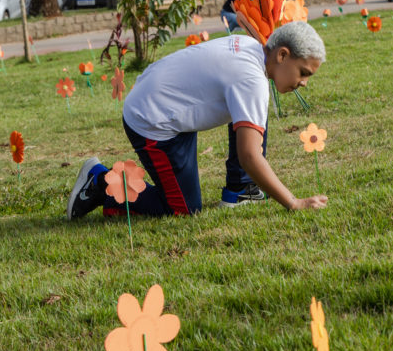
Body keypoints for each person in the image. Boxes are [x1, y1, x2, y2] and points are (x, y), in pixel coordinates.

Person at [66, 21, 328, 219]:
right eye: (303, 73)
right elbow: (249, 155)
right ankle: (100, 181)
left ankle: (239, 191)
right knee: (183, 209)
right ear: (282, 55)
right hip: (153, 120)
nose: (304, 83)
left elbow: (248, 126)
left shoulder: (252, 48)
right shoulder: (252, 79)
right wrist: (293, 202)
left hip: (168, 105)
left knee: (252, 115)